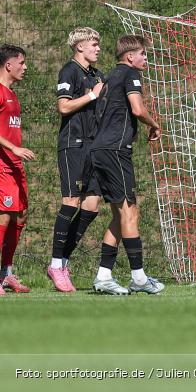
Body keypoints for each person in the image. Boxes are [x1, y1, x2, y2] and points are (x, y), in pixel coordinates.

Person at [89, 35, 164, 295]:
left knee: (122, 214)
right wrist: (154, 124)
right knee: (130, 212)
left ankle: (103, 276)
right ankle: (139, 278)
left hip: (100, 149)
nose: (145, 58)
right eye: (143, 54)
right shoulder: (131, 74)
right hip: (114, 151)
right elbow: (137, 108)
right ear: (130, 56)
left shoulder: (110, 77)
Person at [47, 28, 105, 293]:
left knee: (91, 206)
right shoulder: (69, 71)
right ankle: (55, 264)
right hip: (73, 145)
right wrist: (92, 95)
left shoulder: (96, 75)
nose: (97, 49)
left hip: (95, 146)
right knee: (70, 202)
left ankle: (64, 262)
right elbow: (64, 107)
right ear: (79, 46)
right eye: (94, 44)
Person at [0, 45, 33, 294]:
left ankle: (7, 273)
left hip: (15, 164)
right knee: (4, 216)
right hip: (2, 164)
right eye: (21, 63)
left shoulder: (13, 94)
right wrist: (14, 148)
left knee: (20, 216)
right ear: (8, 65)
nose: (25, 67)